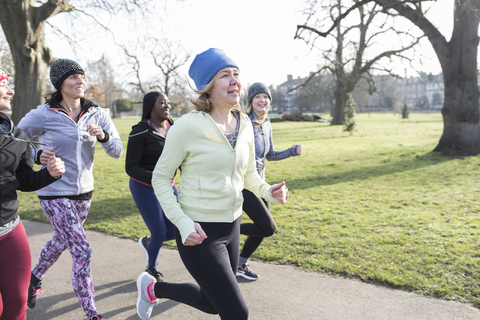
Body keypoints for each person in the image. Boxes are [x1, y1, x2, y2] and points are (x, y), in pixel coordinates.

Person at [134, 48, 289, 320]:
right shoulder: (186, 127)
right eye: (225, 75)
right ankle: (153, 286)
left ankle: (152, 288)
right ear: (207, 87)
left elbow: (249, 173)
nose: (235, 81)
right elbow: (160, 178)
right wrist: (182, 223)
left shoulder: (244, 124)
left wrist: (268, 191)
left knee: (210, 303)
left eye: (237, 74)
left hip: (232, 224)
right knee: (237, 313)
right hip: (198, 231)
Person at [18, 58, 123, 320]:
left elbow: (117, 151)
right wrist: (36, 155)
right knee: (82, 251)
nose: (80, 82)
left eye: (82, 77)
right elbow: (16, 142)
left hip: (84, 193)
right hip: (53, 191)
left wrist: (103, 136)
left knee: (62, 241)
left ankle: (33, 278)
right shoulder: (43, 113)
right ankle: (92, 313)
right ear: (60, 83)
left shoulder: (97, 113)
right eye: (74, 77)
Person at [0, 69, 65, 320]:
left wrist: (50, 173)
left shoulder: (16, 136)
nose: (11, 91)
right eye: (3, 85)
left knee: (17, 304)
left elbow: (24, 180)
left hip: (9, 232)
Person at [236, 82, 302, 281]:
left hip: (261, 185)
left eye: (265, 97)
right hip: (244, 185)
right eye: (258, 97)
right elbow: (237, 151)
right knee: (267, 227)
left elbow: (270, 155)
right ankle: (226, 228)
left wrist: (290, 151)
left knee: (263, 229)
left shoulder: (266, 123)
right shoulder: (243, 121)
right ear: (251, 101)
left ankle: (240, 263)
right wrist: (253, 163)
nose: (262, 100)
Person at [125, 91, 177, 282]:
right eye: (162, 102)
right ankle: (151, 270)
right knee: (159, 231)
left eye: (168, 102)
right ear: (150, 107)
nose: (167, 105)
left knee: (174, 230)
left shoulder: (174, 127)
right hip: (144, 186)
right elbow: (130, 167)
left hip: (168, 185)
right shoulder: (139, 131)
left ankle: (148, 243)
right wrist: (155, 179)